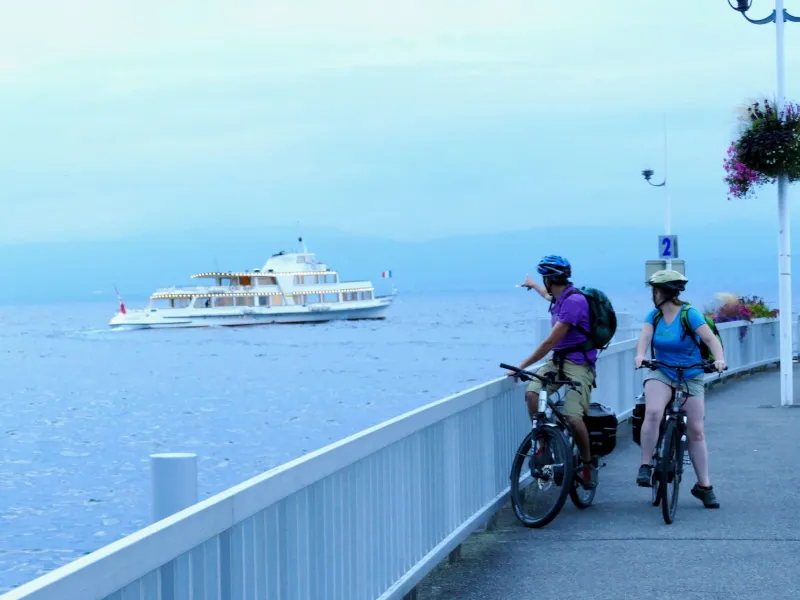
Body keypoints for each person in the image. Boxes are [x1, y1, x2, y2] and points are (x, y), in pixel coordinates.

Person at [633, 269, 726, 509]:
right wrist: (640, 356)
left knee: (696, 430)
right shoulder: (653, 316)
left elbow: (711, 340)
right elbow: (644, 337)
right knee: (653, 412)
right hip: (662, 370)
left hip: (691, 374)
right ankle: (646, 466)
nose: (652, 295)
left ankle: (704, 486)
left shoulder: (690, 314)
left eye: (654, 290)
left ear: (662, 292)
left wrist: (719, 359)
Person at [510, 255, 598, 489]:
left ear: (550, 278)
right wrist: (534, 286)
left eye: (543, 278)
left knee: (572, 417)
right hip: (556, 361)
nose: (544, 282)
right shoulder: (559, 297)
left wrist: (522, 366)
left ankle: (588, 463)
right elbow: (547, 296)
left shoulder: (574, 302)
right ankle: (543, 446)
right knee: (532, 394)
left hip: (579, 364)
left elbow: (549, 342)